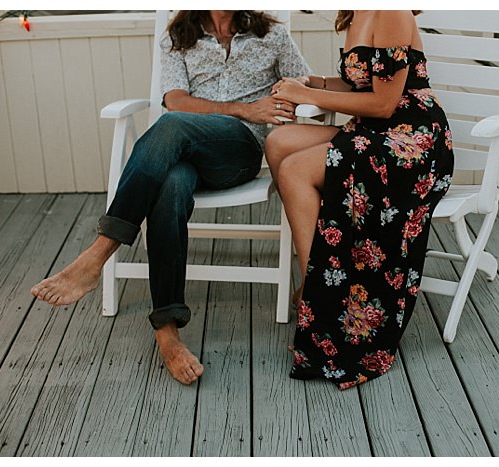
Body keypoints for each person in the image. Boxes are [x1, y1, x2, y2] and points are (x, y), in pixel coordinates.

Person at [31, 10, 311, 385]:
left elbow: (304, 83)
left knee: (170, 124)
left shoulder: (271, 34)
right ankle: (167, 329)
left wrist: (282, 99)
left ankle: (98, 252)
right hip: (181, 151)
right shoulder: (178, 36)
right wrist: (243, 107)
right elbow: (176, 99)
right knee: (170, 185)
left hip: (238, 150)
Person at [265, 10, 454, 389]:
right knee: (278, 142)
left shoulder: (392, 11)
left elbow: (384, 102)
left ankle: (317, 297)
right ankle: (324, 280)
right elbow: (361, 82)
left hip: (409, 142)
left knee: (296, 170)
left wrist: (306, 95)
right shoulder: (356, 12)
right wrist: (312, 81)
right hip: (372, 133)